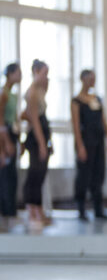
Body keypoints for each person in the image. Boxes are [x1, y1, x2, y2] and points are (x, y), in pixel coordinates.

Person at [71, 69, 107, 221]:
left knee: (98, 173)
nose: (92, 81)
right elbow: (75, 125)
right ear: (83, 79)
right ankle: (81, 208)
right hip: (86, 141)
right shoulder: (76, 101)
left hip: (98, 140)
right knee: (84, 174)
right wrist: (80, 145)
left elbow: (103, 119)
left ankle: (98, 209)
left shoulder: (97, 99)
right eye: (90, 78)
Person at [21, 60, 52, 229]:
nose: (46, 77)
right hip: (35, 137)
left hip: (44, 134)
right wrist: (41, 143)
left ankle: (39, 209)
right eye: (44, 73)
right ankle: (31, 210)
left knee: (41, 174)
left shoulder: (41, 91)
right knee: (34, 172)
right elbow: (35, 121)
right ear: (35, 72)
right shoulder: (31, 93)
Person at [0, 63, 21, 224]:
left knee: (12, 174)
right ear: (11, 74)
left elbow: (15, 119)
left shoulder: (13, 94)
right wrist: (5, 143)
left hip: (12, 134)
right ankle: (6, 210)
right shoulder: (3, 93)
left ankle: (11, 210)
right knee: (6, 175)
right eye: (18, 72)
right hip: (4, 135)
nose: (20, 75)